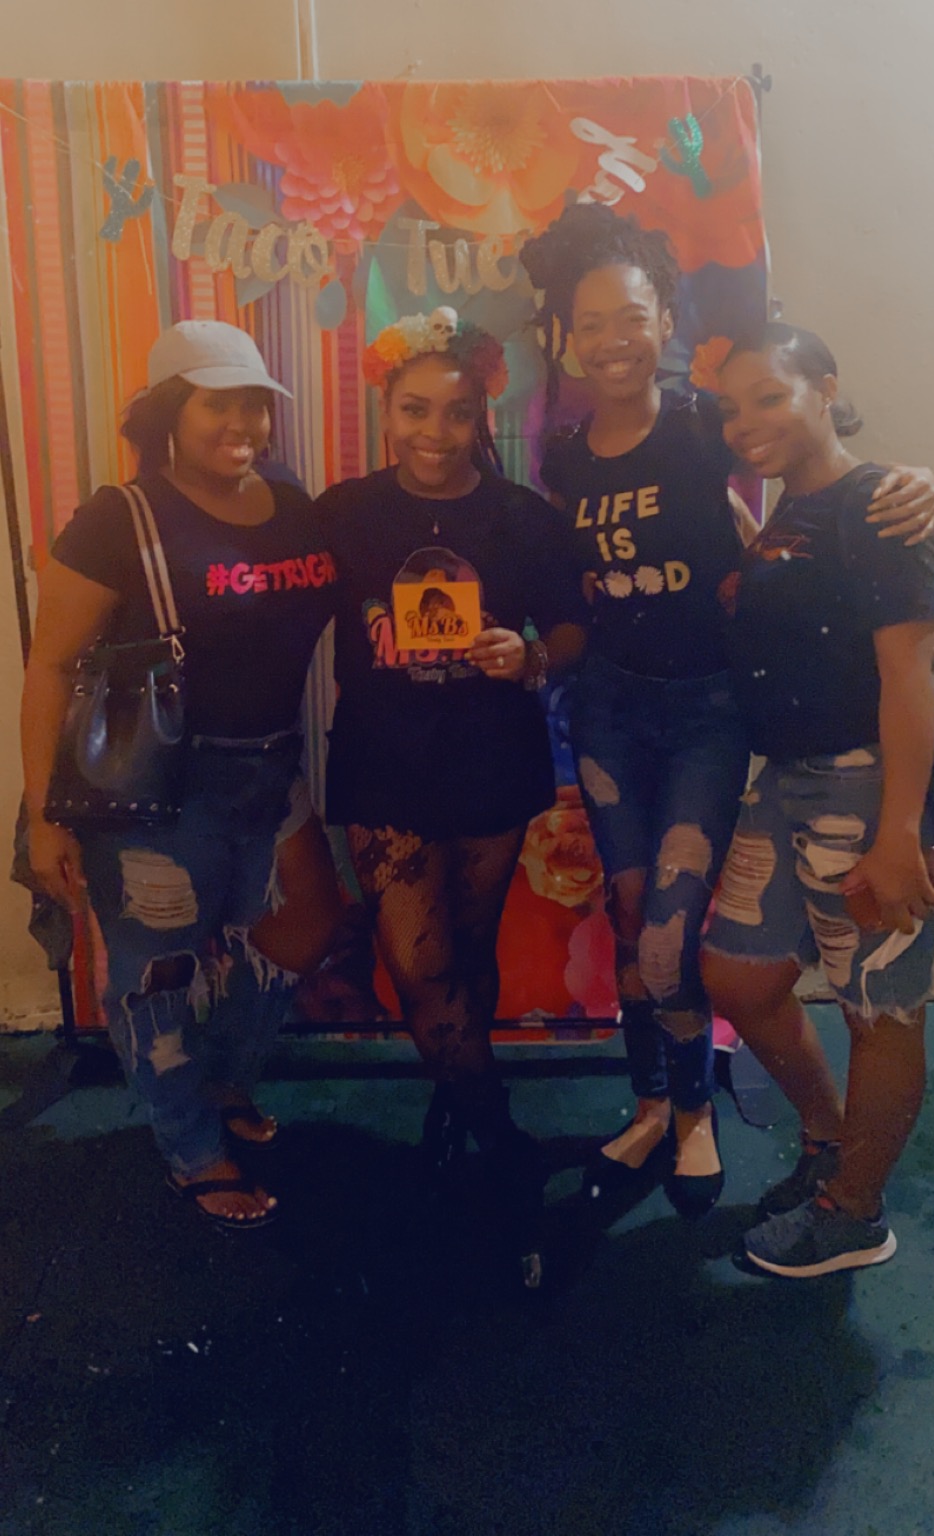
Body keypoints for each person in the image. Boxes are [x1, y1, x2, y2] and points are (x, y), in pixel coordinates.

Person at [519, 204, 934, 1217]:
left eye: (632, 317)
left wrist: (911, 480)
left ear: (666, 322)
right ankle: (657, 1103)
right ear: (566, 338)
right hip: (610, 710)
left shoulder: (711, 424)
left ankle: (700, 1112)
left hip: (709, 712)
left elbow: (813, 468)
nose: (613, 340)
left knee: (672, 931)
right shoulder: (562, 455)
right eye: (590, 323)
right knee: (633, 921)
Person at [21, 320, 343, 1230]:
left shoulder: (290, 501)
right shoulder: (117, 519)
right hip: (160, 790)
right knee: (156, 972)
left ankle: (223, 1082)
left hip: (271, 767)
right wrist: (45, 815)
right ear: (170, 412)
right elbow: (49, 668)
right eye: (216, 404)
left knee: (310, 923)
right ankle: (191, 1149)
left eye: (254, 404)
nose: (241, 422)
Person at [315, 312, 586, 1286]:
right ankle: (503, 1146)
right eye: (415, 409)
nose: (435, 432)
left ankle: (453, 1098)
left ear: (483, 416)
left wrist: (532, 654)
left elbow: (571, 626)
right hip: (384, 768)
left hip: (491, 763)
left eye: (458, 412)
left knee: (469, 954)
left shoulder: (523, 518)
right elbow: (265, 599)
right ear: (384, 409)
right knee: (423, 966)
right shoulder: (342, 513)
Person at [701, 324, 934, 1276]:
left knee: (877, 1007)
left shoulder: (877, 502)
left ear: (827, 389)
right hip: (787, 782)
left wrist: (900, 833)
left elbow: (909, 674)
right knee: (738, 979)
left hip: (866, 784)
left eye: (770, 395)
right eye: (731, 407)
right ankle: (832, 1138)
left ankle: (856, 1214)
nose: (746, 422)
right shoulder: (781, 514)